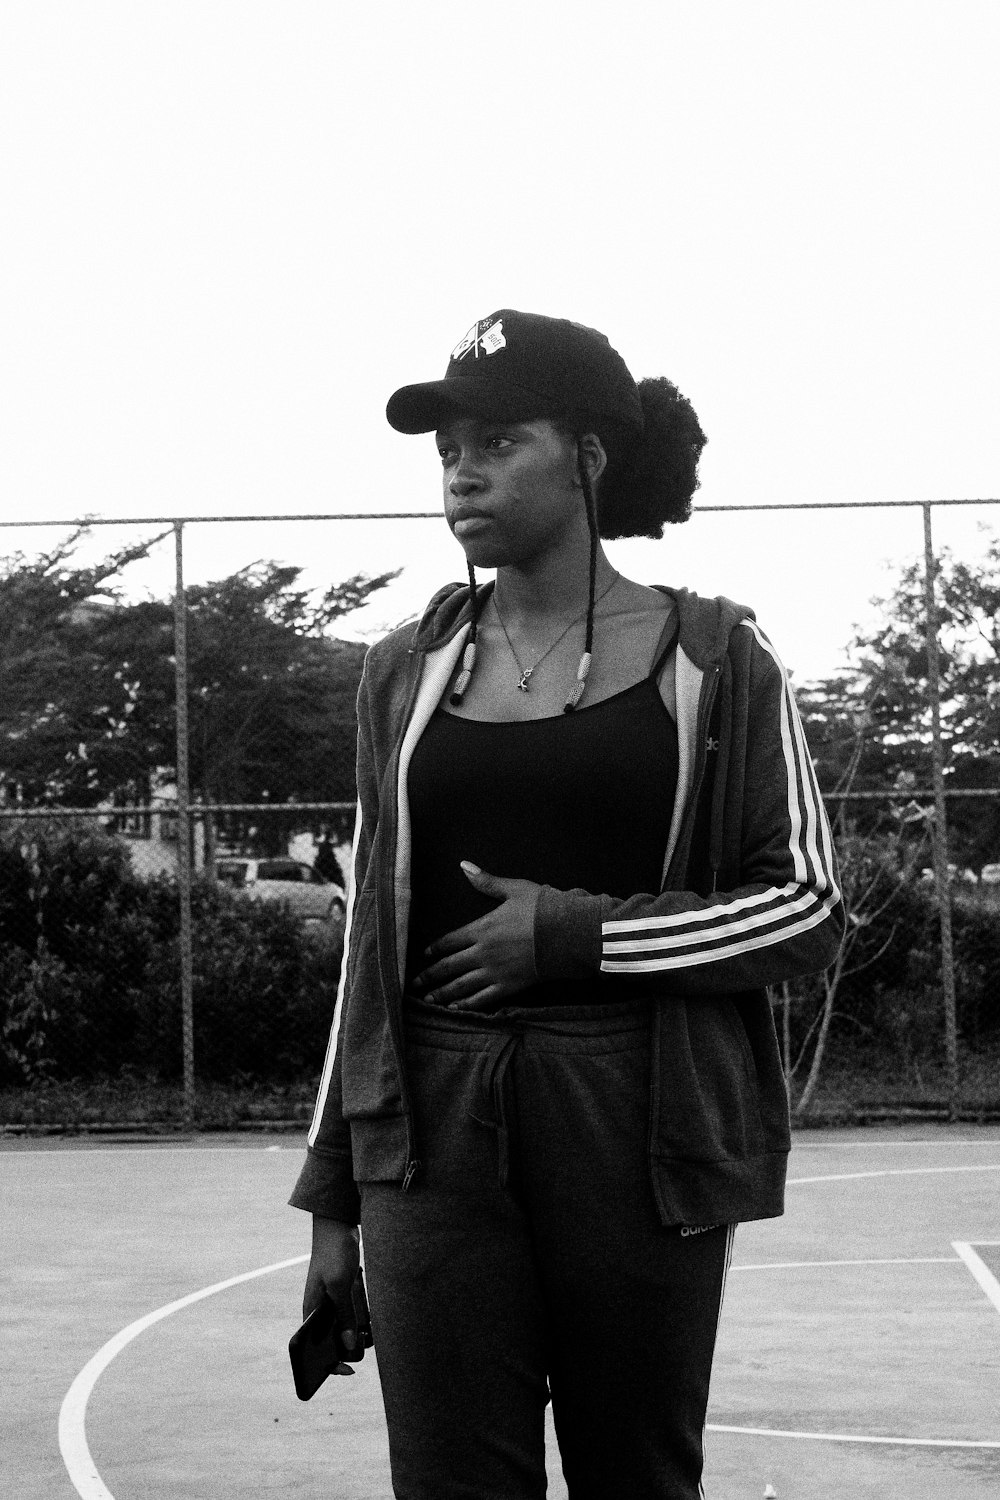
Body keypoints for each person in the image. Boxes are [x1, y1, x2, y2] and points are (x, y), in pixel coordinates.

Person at [290, 309, 844, 1500]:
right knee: (448, 1481)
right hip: (429, 1126)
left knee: (634, 1476)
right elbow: (367, 957)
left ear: (588, 455)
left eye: (497, 440)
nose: (460, 469)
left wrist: (573, 934)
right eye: (445, 448)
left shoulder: (718, 661)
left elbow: (802, 905)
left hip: (638, 1115)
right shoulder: (404, 669)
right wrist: (333, 1190)